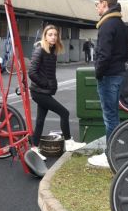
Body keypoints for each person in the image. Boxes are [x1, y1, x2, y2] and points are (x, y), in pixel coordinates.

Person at [29, 24, 86, 155]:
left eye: (55, 35)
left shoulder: (52, 50)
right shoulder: (40, 50)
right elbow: (32, 72)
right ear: (45, 36)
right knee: (64, 113)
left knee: (40, 121)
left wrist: (49, 85)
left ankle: (34, 148)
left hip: (43, 91)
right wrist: (46, 84)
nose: (53, 37)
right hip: (39, 92)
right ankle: (69, 143)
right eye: (50, 35)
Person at [89, 0, 128, 168]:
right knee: (113, 116)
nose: (96, 7)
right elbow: (126, 53)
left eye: (97, 4)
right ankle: (115, 152)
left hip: (109, 76)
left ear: (105, 4)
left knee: (110, 117)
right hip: (118, 73)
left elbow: (103, 55)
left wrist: (98, 73)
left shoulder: (106, 25)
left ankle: (110, 155)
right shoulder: (120, 23)